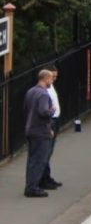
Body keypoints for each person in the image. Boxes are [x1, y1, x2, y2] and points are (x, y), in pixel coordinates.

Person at [23, 69, 55, 198]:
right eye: (51, 78)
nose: (52, 81)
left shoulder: (30, 92)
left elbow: (25, 108)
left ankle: (31, 185)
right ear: (45, 78)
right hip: (41, 131)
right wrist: (51, 111)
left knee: (32, 159)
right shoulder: (43, 94)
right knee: (39, 159)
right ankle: (32, 188)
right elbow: (43, 112)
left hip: (30, 129)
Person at [41, 67, 62, 190]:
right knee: (46, 152)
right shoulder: (44, 90)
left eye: (55, 77)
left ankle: (47, 177)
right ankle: (44, 180)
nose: (54, 79)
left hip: (55, 120)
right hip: (50, 122)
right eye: (52, 77)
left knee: (49, 152)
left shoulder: (51, 86)